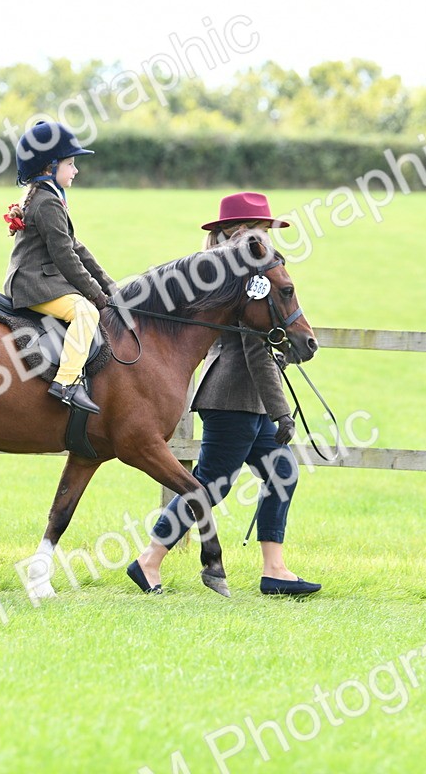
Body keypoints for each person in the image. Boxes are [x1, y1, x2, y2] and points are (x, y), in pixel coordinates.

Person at [126, 192, 321, 596]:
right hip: (232, 398)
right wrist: (282, 412)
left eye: (266, 229)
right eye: (258, 229)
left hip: (249, 401)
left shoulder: (238, 273)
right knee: (210, 484)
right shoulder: (244, 280)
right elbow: (253, 349)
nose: (264, 235)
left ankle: (275, 569)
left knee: (282, 472)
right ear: (236, 232)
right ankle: (149, 560)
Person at [3, 121, 116, 415]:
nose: (75, 170)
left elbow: (76, 246)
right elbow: (65, 256)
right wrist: (96, 295)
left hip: (39, 279)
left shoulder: (47, 197)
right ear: (49, 167)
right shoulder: (47, 203)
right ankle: (66, 382)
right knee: (85, 311)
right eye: (70, 163)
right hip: (33, 283)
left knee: (88, 304)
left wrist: (109, 284)